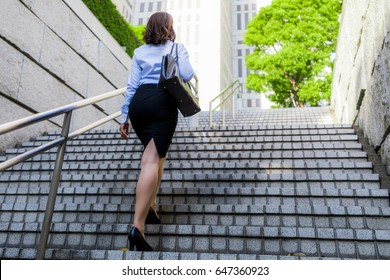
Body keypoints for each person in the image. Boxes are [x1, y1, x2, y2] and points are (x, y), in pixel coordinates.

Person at [119, 12, 194, 251]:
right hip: (162, 101)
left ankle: (151, 204)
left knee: (158, 154)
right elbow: (187, 74)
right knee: (151, 160)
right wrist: (180, 52)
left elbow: (132, 85)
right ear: (169, 27)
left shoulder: (139, 52)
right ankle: (137, 227)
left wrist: (124, 117)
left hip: (139, 103)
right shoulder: (176, 47)